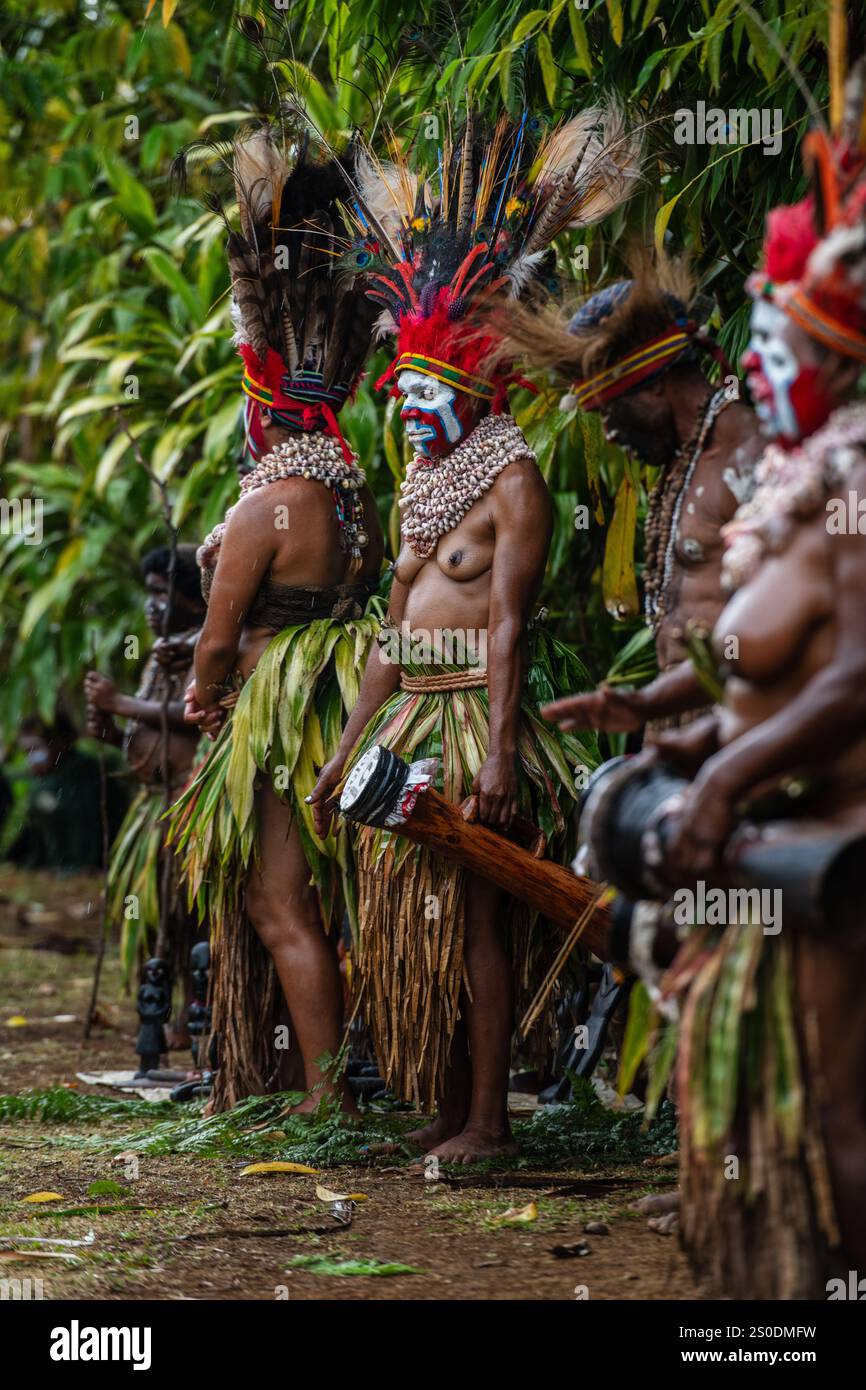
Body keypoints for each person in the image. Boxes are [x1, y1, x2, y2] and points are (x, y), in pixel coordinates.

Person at [310, 105, 638, 1162]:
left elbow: (504, 627)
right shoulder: (423, 480)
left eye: (419, 394)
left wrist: (499, 749)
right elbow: (390, 629)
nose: (404, 412)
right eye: (396, 393)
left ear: (465, 387)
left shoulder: (511, 484)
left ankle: (493, 1121)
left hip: (468, 724)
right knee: (415, 922)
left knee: (476, 917)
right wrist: (351, 744)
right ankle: (448, 1108)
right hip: (408, 711)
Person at [645, 82, 866, 1297]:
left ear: (832, 362)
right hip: (762, 846)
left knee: (834, 1132)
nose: (751, 370)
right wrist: (675, 739)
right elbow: (766, 673)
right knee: (752, 1127)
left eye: (773, 351)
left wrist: (723, 772)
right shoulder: (791, 494)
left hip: (835, 856)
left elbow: (854, 676)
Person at [167, 122, 385, 1113]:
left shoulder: (266, 506)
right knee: (296, 900)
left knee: (276, 899)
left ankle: (325, 1095)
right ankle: (291, 1078)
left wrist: (200, 698)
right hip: (325, 710)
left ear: (263, 401)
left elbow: (216, 637)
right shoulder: (350, 497)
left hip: (267, 716)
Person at [503, 250, 763, 740]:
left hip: (746, 733)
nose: (610, 434)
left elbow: (782, 631)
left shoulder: (751, 461)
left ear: (656, 387)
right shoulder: (686, 460)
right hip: (685, 724)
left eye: (608, 410)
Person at [85, 544, 206, 1040]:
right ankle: (167, 1011)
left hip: (185, 802)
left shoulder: (205, 646)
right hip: (151, 807)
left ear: (193, 600)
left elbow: (192, 718)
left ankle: (196, 1013)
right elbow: (145, 738)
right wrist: (112, 731)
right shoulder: (158, 656)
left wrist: (120, 703)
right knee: (161, 917)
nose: (151, 605)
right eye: (149, 594)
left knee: (193, 914)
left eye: (161, 594)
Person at [11, 713, 125, 871]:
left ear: (61, 743)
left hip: (94, 866)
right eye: (26, 751)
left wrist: (79, 868)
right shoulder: (45, 780)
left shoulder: (86, 774)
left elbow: (88, 829)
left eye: (35, 748)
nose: (31, 758)